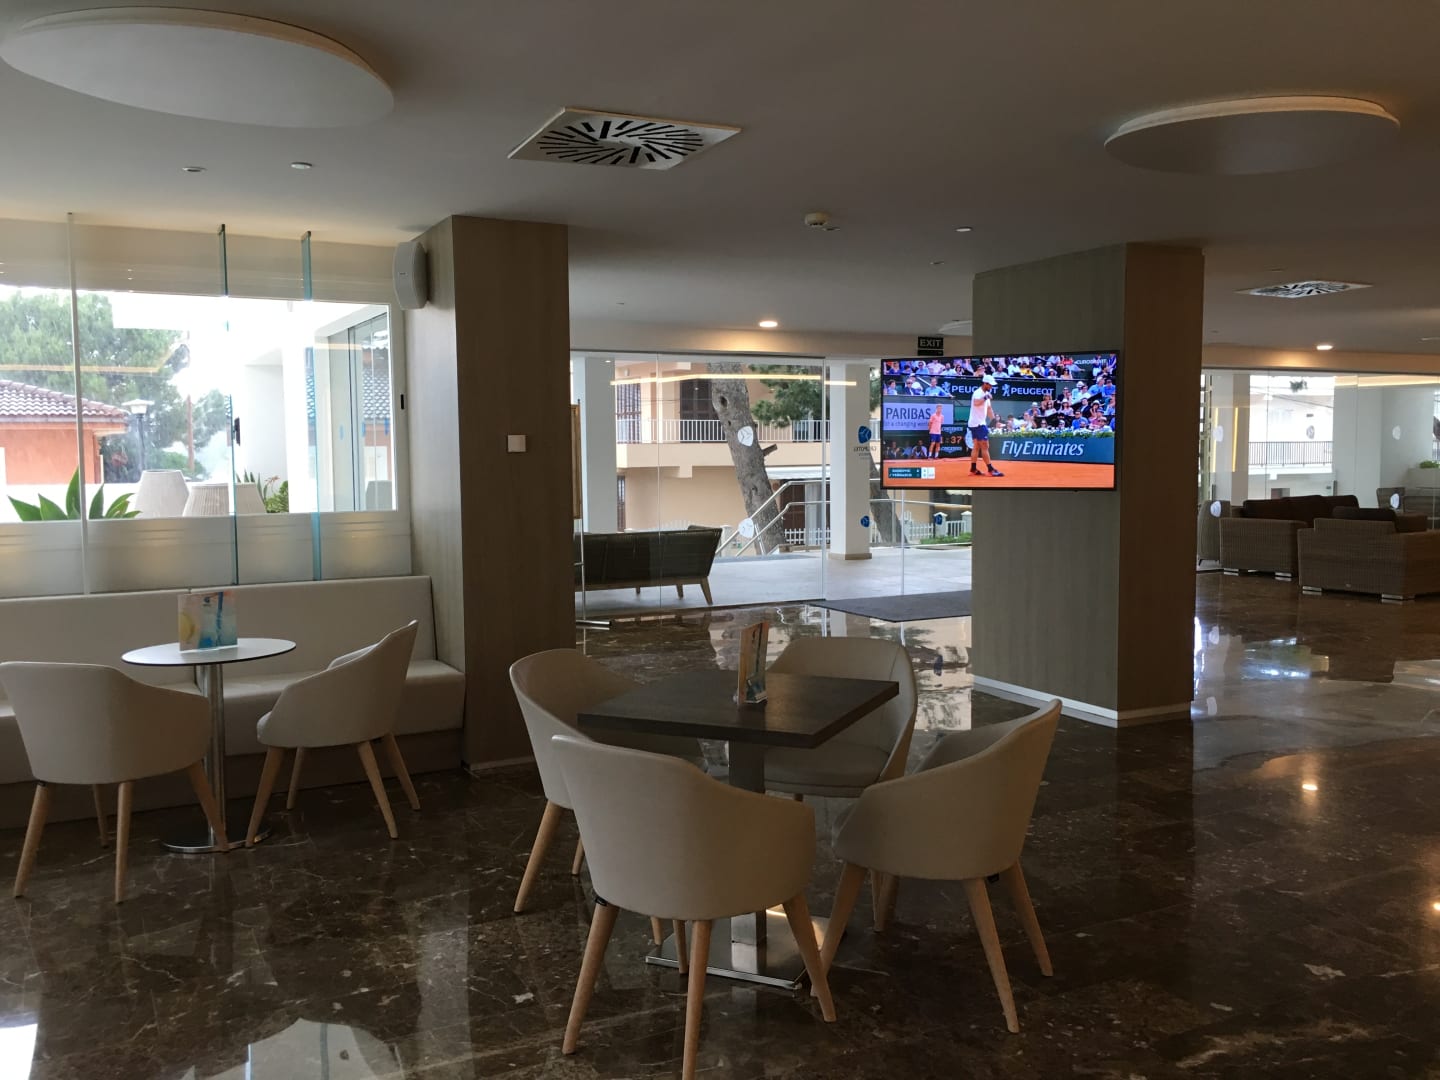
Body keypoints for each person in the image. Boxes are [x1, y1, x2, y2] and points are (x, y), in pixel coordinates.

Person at [966, 374, 1004, 478]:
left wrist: (995, 421)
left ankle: (973, 469)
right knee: (985, 446)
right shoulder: (978, 393)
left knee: (976, 446)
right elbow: (976, 402)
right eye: (990, 385)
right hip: (978, 424)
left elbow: (989, 409)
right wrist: (986, 397)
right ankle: (990, 470)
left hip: (976, 423)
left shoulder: (986, 393)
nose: (991, 386)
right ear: (985, 383)